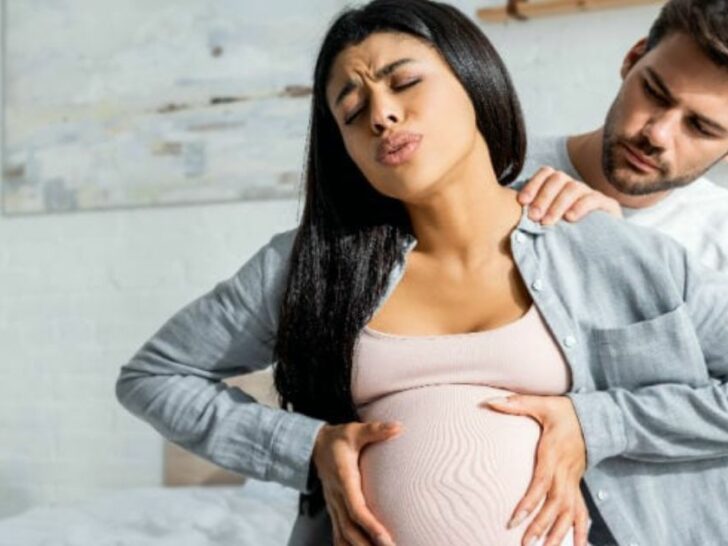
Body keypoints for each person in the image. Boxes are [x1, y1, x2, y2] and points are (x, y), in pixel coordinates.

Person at [115, 1, 728, 546]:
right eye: (351, 112)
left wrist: (600, 422)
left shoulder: (612, 247)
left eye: (405, 83)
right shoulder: (315, 264)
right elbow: (154, 375)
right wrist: (305, 448)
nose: (381, 114)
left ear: (473, 80)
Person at [518, 0, 728, 271]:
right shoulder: (498, 170)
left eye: (700, 127)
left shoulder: (721, 245)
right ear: (632, 59)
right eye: (653, 92)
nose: (658, 135)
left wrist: (618, 246)